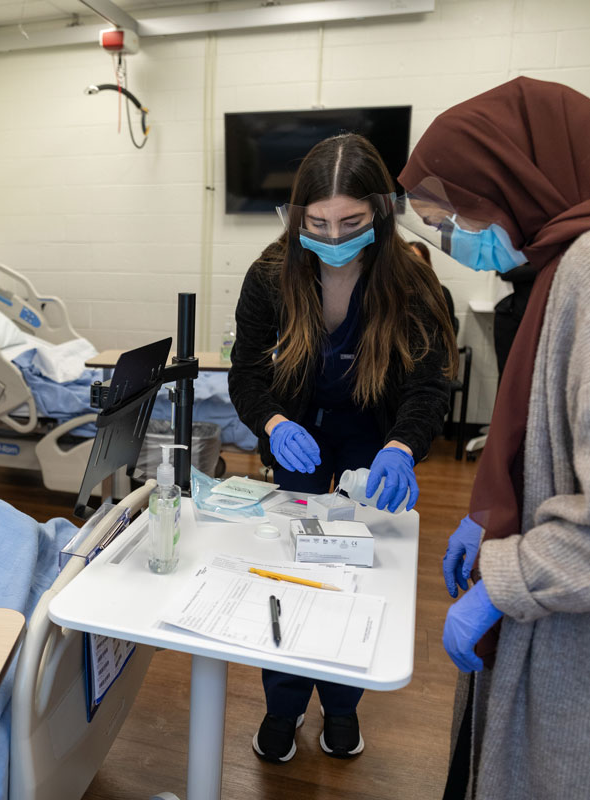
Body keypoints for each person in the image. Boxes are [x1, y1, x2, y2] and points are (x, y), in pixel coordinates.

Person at [399, 77, 590, 799]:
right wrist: (491, 514)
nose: (452, 246)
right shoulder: (568, 262)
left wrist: (506, 583)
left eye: (452, 220)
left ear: (508, 179)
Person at [228, 133, 456, 763]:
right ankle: (282, 707)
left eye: (350, 222)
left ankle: (343, 707)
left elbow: (429, 383)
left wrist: (402, 448)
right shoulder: (272, 276)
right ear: (298, 215)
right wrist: (273, 423)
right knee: (293, 575)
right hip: (297, 441)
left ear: (379, 212)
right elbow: (244, 372)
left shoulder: (409, 280)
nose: (332, 237)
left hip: (371, 447)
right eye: (318, 222)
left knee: (352, 577)